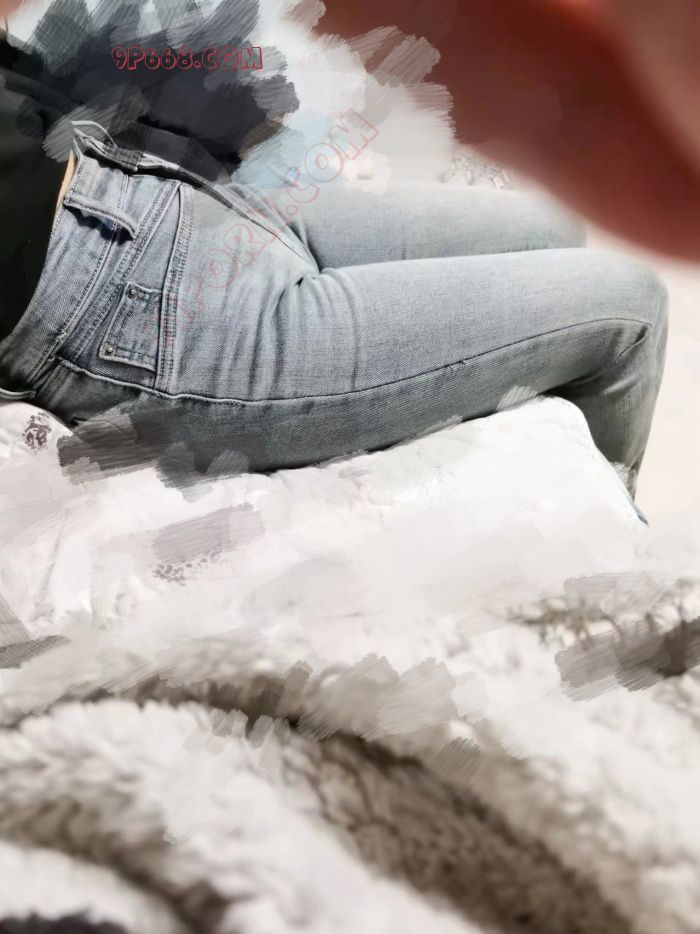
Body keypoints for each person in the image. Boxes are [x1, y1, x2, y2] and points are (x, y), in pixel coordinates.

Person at [0, 2, 670, 496]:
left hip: (156, 189)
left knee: (550, 228)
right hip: (122, 303)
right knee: (631, 309)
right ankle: (619, 591)